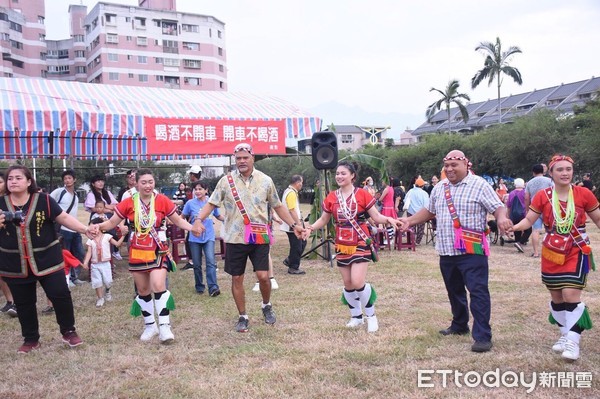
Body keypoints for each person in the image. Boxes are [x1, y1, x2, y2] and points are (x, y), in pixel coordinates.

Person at [398, 150, 511, 353]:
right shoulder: (440, 188)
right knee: (454, 290)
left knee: (477, 292)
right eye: (447, 165)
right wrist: (409, 220)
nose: (449, 169)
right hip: (446, 249)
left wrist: (501, 218)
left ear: (466, 165)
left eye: (454, 165)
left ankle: (483, 336)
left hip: (472, 250)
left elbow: (498, 207)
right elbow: (430, 211)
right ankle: (459, 325)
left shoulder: (479, 185)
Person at [193, 143, 305, 333]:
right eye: (238, 158)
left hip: (259, 236)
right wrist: (198, 220)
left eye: (245, 157)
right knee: (237, 277)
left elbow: (277, 206)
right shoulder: (225, 181)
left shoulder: (265, 180)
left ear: (253, 158)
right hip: (235, 237)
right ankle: (243, 316)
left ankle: (266, 304)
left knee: (263, 276)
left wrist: (294, 225)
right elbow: (211, 204)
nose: (242, 161)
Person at [0, 165, 99, 353]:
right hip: (15, 263)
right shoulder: (1, 203)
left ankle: (69, 331)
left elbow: (63, 217)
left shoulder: (44, 200)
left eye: (18, 178)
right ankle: (31, 339)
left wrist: (85, 229)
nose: (13, 181)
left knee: (60, 294)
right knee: (24, 302)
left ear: (29, 181)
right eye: (10, 178)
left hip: (47, 258)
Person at [511, 155, 600, 361]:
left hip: (577, 248)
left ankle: (573, 341)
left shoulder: (583, 194)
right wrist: (514, 227)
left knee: (571, 294)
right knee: (557, 297)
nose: (565, 173)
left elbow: (597, 219)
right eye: (560, 169)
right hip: (551, 250)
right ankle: (564, 334)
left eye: (568, 169)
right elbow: (529, 220)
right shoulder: (543, 196)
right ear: (551, 173)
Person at [98, 168, 200, 343]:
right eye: (143, 182)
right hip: (137, 249)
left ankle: (165, 327)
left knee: (159, 285)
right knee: (143, 290)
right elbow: (112, 222)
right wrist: (95, 228)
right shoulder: (128, 202)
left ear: (154, 183)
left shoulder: (162, 200)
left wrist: (192, 228)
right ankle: (150, 325)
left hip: (158, 247)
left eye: (150, 182)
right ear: (136, 184)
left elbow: (177, 219)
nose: (147, 186)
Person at [306, 161, 402, 333]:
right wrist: (310, 228)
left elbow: (377, 216)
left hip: (360, 239)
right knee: (348, 283)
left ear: (352, 176)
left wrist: (390, 220)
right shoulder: (332, 197)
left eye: (343, 173)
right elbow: (324, 219)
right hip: (342, 242)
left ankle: (371, 316)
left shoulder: (362, 194)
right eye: (337, 173)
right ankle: (356, 317)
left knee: (358, 281)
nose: (339, 176)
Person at [181, 181, 224, 296]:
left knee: (210, 262)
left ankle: (213, 287)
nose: (198, 191)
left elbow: (218, 215)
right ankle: (199, 286)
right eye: (196, 189)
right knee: (197, 264)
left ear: (206, 190)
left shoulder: (211, 202)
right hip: (194, 238)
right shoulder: (190, 203)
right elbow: (182, 217)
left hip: (209, 237)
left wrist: (228, 219)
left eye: (200, 189)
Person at [50, 169, 86, 286]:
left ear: (74, 179)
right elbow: (49, 203)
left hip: (74, 229)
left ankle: (75, 276)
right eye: (65, 179)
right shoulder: (59, 192)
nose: (67, 180)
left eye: (69, 178)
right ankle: (68, 278)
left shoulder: (75, 195)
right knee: (66, 255)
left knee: (79, 253)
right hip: (63, 230)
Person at [83, 218, 126, 307]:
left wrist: (123, 235)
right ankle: (100, 298)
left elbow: (117, 244)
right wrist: (86, 262)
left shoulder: (107, 237)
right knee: (97, 282)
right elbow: (89, 252)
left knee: (108, 281)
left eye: (95, 228)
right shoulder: (90, 240)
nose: (93, 230)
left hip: (105, 264)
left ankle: (107, 290)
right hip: (95, 264)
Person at [85, 175, 121, 260]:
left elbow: (115, 205)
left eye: (102, 181)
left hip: (109, 219)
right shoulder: (91, 195)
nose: (101, 183)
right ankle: (98, 256)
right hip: (97, 218)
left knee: (110, 236)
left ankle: (111, 255)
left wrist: (105, 207)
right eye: (98, 181)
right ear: (93, 184)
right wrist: (108, 209)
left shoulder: (107, 193)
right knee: (98, 237)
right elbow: (94, 208)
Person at [280, 175, 307, 275]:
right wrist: (298, 224)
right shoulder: (291, 193)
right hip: (292, 225)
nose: (302, 185)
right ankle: (293, 267)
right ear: (298, 182)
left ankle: (290, 260)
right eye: (301, 182)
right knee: (297, 246)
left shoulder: (289, 191)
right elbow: (292, 210)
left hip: (291, 224)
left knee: (302, 243)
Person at [525, 164, 553, 258]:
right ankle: (550, 251)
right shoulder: (549, 181)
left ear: (533, 172)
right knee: (550, 230)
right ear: (543, 171)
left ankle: (536, 252)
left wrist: (527, 210)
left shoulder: (529, 183)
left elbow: (526, 198)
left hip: (535, 209)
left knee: (535, 230)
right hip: (548, 208)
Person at [0, 172, 17, 317]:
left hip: (13, 242)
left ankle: (17, 301)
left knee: (14, 272)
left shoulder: (14, 200)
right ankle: (10, 300)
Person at [505, 178, 531, 253]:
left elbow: (508, 205)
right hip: (524, 214)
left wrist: (508, 216)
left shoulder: (511, 193)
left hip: (514, 214)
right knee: (528, 229)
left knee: (516, 228)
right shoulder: (525, 192)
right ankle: (521, 242)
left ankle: (518, 240)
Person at [403, 176, 430, 245]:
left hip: (410, 211)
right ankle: (417, 241)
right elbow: (427, 204)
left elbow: (405, 200)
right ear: (422, 185)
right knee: (420, 228)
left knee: (411, 226)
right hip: (421, 212)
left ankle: (411, 240)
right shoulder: (424, 193)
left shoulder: (410, 191)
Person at [378, 178, 397, 243]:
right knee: (390, 223)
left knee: (387, 223)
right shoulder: (391, 188)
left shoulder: (386, 189)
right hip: (391, 206)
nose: (382, 182)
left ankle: (389, 238)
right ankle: (391, 237)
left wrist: (378, 198)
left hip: (386, 207)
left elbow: (381, 199)